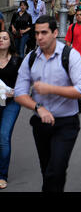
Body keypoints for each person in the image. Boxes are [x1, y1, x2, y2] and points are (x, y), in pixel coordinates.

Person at [14, 15, 81, 193]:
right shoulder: (31, 58)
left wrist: (51, 89)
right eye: (37, 33)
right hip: (40, 123)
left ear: (55, 33)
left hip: (66, 123)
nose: (39, 37)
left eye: (44, 33)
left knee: (55, 170)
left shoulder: (70, 56)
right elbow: (19, 92)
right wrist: (38, 108)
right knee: (48, 170)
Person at [0, 31, 22, 190]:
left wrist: (16, 91)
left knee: (4, 136)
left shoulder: (17, 61)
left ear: (10, 42)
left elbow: (25, 82)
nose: (1, 40)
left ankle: (2, 175)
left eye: (4, 38)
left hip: (11, 103)